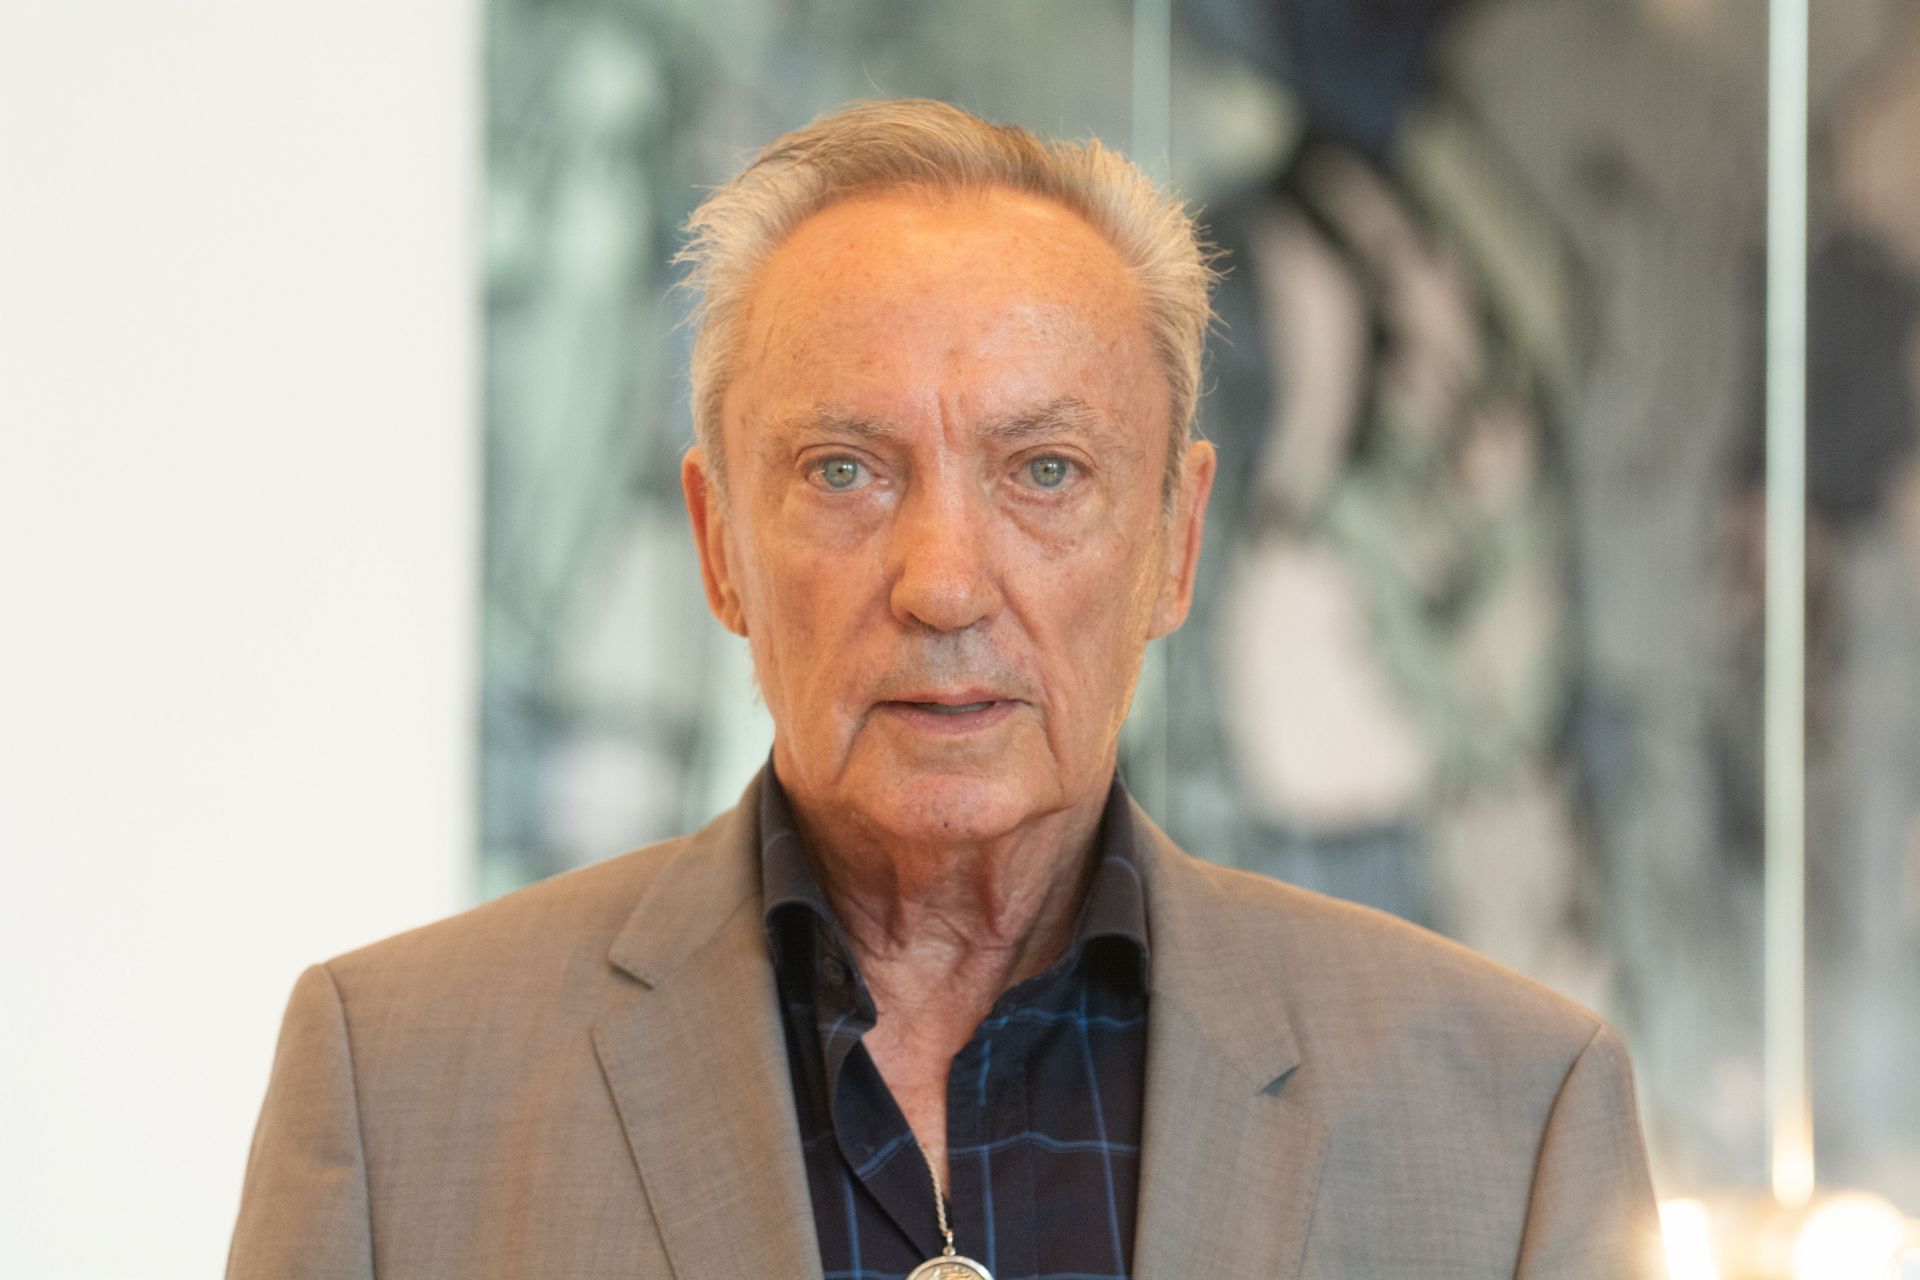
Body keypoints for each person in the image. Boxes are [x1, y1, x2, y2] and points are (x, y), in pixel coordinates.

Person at [228, 99, 1664, 1279]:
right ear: (720, 543)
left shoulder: (1511, 1117)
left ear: (1176, 544)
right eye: (844, 471)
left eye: (1046, 471)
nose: (945, 583)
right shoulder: (396, 1088)